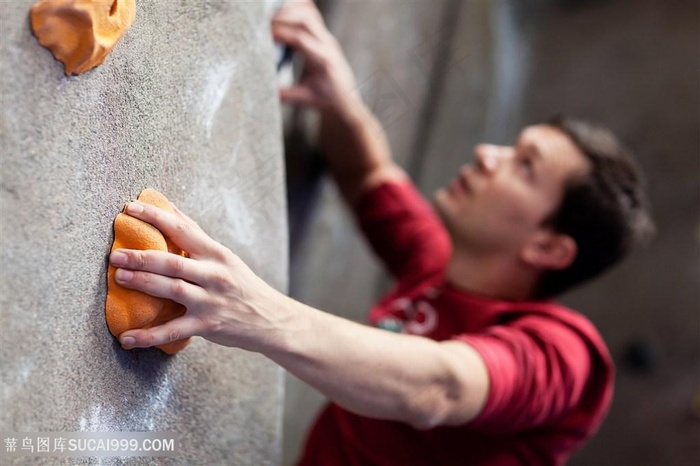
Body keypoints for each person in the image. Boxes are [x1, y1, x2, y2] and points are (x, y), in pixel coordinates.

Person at [110, 1, 654, 464]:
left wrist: (257, 311)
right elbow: (371, 176)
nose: (490, 155)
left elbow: (441, 386)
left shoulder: (563, 355)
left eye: (525, 166)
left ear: (547, 247)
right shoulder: (441, 271)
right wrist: (341, 96)